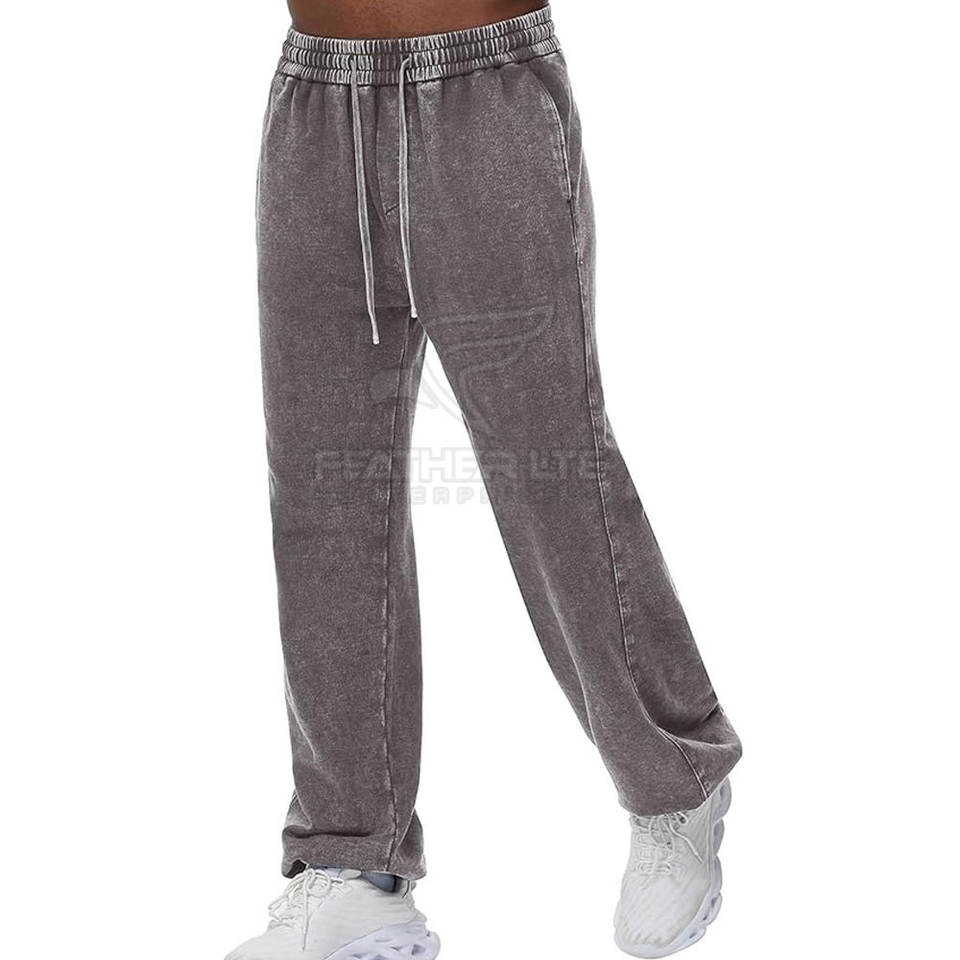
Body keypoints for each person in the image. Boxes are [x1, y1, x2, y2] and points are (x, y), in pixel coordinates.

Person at [226, 2, 742, 957]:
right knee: (321, 491)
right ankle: (353, 863)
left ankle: (675, 780)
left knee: (548, 461)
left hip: (482, 94)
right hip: (313, 106)